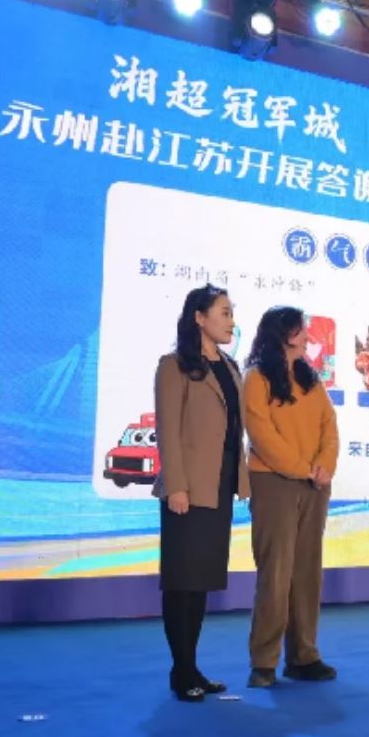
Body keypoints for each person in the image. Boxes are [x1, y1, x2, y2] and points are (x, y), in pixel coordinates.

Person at [153, 285, 250, 702]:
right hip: (187, 489)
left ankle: (192, 667)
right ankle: (181, 671)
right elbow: (168, 430)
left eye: (231, 313)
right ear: (199, 316)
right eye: (224, 312)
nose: (231, 321)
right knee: (182, 582)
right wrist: (176, 485)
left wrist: (241, 480)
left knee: (201, 582)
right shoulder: (173, 365)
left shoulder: (230, 366)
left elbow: (235, 431)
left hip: (219, 486)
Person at [243, 306, 339, 688]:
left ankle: (304, 656)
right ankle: (264, 662)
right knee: (276, 573)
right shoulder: (256, 378)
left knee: (307, 573)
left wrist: (324, 466)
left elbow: (329, 427)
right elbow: (262, 435)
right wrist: (303, 468)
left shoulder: (310, 379)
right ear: (281, 334)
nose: (307, 336)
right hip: (273, 483)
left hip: (315, 485)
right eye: (300, 330)